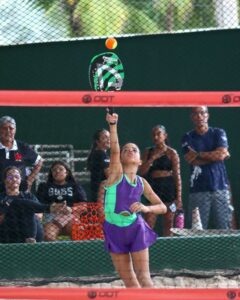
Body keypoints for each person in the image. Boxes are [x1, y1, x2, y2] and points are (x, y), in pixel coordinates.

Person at [103, 111, 167, 288]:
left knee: (144, 278)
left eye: (134, 149)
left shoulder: (142, 182)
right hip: (113, 230)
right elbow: (114, 150)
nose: (129, 150)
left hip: (136, 228)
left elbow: (163, 208)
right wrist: (113, 126)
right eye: (126, 149)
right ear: (121, 159)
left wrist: (146, 209)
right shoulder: (116, 174)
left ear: (140, 161)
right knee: (130, 282)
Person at [181, 106, 231, 229]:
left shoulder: (218, 133)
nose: (199, 116)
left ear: (207, 115)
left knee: (224, 228)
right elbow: (192, 160)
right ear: (192, 117)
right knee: (196, 230)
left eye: (202, 113)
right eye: (196, 114)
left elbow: (221, 154)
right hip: (198, 189)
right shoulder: (187, 137)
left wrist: (198, 154)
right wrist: (215, 155)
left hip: (220, 188)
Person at [0, 115, 44, 241]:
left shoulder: (21, 147)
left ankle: (30, 239)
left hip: (19, 190)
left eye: (11, 128)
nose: (8, 131)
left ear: (15, 130)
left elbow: (39, 161)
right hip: (2, 193)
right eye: (4, 128)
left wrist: (29, 180)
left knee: (26, 213)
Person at [0, 166, 66, 243]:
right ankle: (49, 208)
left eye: (17, 176)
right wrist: (11, 210)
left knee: (26, 208)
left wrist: (23, 212)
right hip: (8, 232)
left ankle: (30, 238)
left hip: (32, 231)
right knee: (16, 203)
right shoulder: (1, 197)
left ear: (20, 180)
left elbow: (39, 216)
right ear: (5, 180)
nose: (14, 179)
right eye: (10, 177)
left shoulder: (29, 196)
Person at [139, 125, 182, 236]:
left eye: (159, 134)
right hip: (153, 189)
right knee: (149, 222)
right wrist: (153, 158)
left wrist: (179, 198)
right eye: (154, 134)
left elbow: (177, 176)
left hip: (168, 189)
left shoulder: (172, 153)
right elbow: (142, 172)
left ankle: (168, 249)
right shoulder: (148, 152)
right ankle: (146, 247)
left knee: (169, 222)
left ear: (165, 136)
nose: (156, 137)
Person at [36, 161, 87, 241]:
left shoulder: (75, 186)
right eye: (54, 170)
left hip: (70, 217)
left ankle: (77, 253)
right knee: (47, 236)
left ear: (67, 172)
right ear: (51, 173)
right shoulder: (44, 186)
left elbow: (84, 206)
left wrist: (71, 209)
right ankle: (57, 253)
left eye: (60, 169)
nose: (57, 171)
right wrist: (52, 207)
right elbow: (38, 205)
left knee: (78, 232)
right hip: (52, 218)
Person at [87, 129, 110, 202]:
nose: (108, 140)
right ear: (97, 141)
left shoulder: (99, 153)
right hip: (101, 195)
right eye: (104, 138)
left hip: (98, 193)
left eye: (109, 137)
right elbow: (109, 175)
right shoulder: (100, 154)